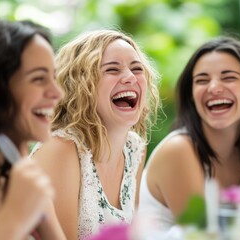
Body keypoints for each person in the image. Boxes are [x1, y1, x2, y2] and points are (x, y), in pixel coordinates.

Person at [30, 29, 160, 240]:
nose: (130, 77)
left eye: (137, 68)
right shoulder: (60, 148)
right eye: (112, 69)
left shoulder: (135, 148)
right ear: (80, 85)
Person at [138, 36, 240, 230]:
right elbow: (204, 235)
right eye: (202, 80)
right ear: (191, 96)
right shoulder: (178, 150)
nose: (214, 87)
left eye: (229, 77)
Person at [0, 17, 65, 239]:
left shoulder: (23, 177)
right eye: (39, 79)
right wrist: (15, 216)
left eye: (54, 77)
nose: (58, 93)